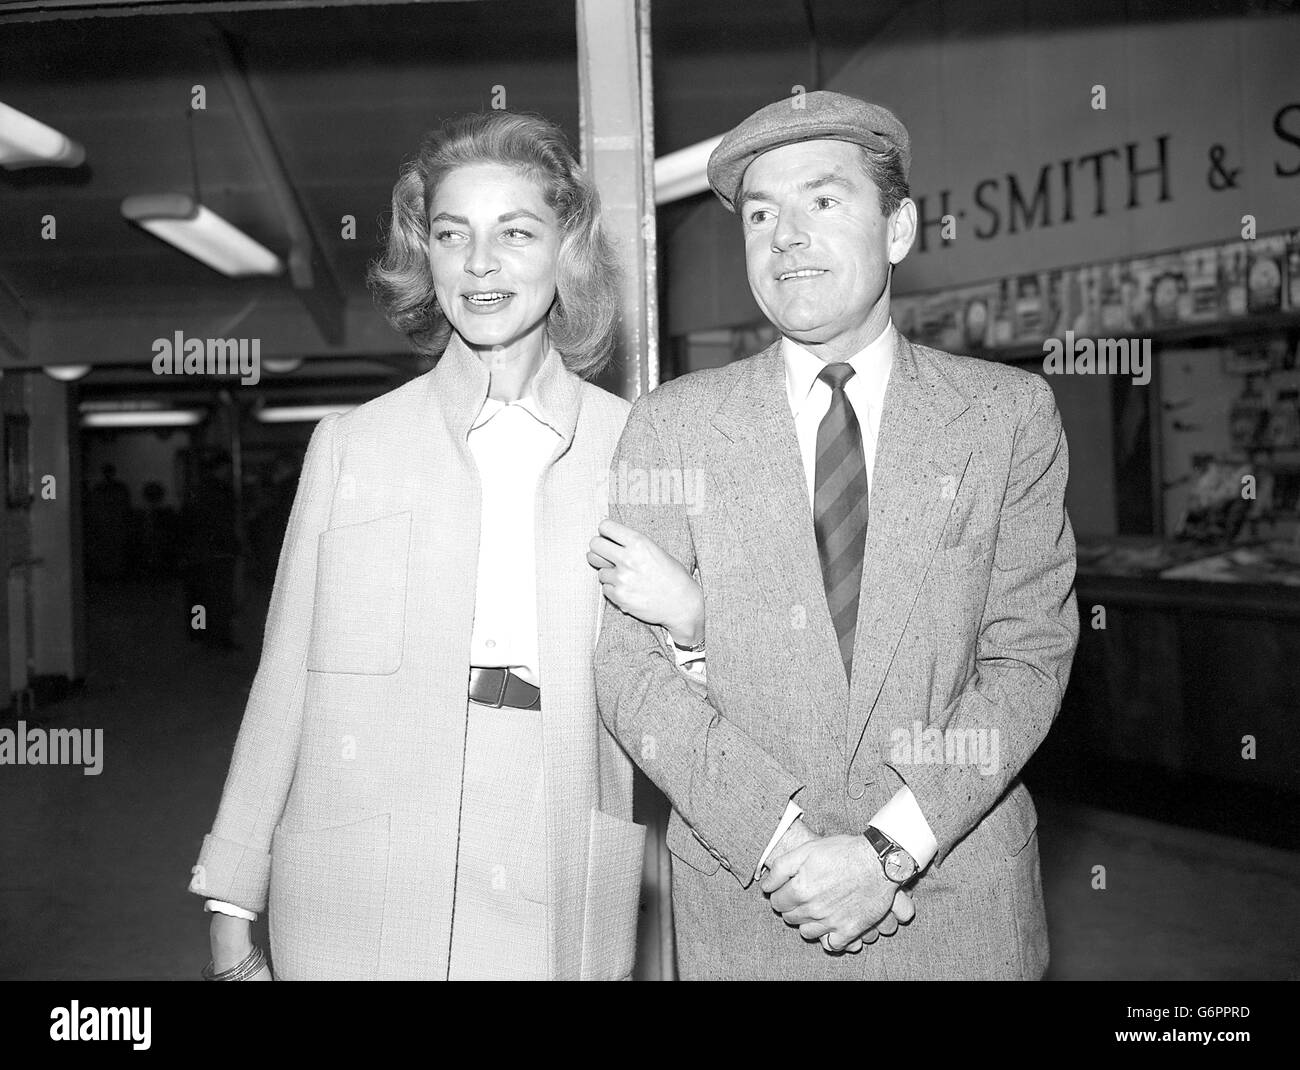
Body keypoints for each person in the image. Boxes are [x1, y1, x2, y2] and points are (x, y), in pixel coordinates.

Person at [592, 91, 1079, 979]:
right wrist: (782, 846)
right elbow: (630, 672)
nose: (784, 237)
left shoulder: (1006, 418)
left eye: (822, 201)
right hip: (753, 906)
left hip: (959, 903)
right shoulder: (673, 426)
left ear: (898, 228)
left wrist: (889, 849)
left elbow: (1030, 656)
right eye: (761, 214)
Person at [189, 111, 685, 980]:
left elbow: (686, 694)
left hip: (555, 834)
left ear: (565, 251)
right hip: (365, 856)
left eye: (515, 233)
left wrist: (694, 618)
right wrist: (233, 896)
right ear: (428, 257)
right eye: (453, 235)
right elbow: (283, 686)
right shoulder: (352, 445)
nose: (481, 264)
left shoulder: (637, 445)